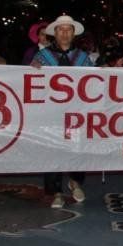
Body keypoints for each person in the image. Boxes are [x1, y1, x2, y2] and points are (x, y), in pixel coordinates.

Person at [31, 15, 93, 207]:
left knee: (77, 148)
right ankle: (56, 191)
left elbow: (93, 84)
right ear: (55, 33)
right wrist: (32, 70)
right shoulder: (42, 57)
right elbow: (31, 84)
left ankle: (75, 182)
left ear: (73, 34)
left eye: (68, 29)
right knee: (52, 149)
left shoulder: (83, 57)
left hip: (76, 112)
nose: (65, 33)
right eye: (61, 29)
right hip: (51, 113)